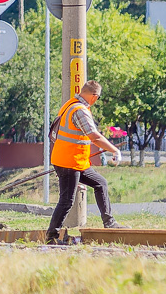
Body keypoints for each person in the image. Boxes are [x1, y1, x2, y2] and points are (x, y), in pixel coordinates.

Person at [46, 80, 125, 242]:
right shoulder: (80, 110)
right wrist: (114, 150)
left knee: (100, 183)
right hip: (69, 162)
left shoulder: (69, 105)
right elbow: (94, 136)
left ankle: (109, 222)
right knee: (67, 201)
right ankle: (51, 237)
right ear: (94, 96)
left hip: (75, 161)